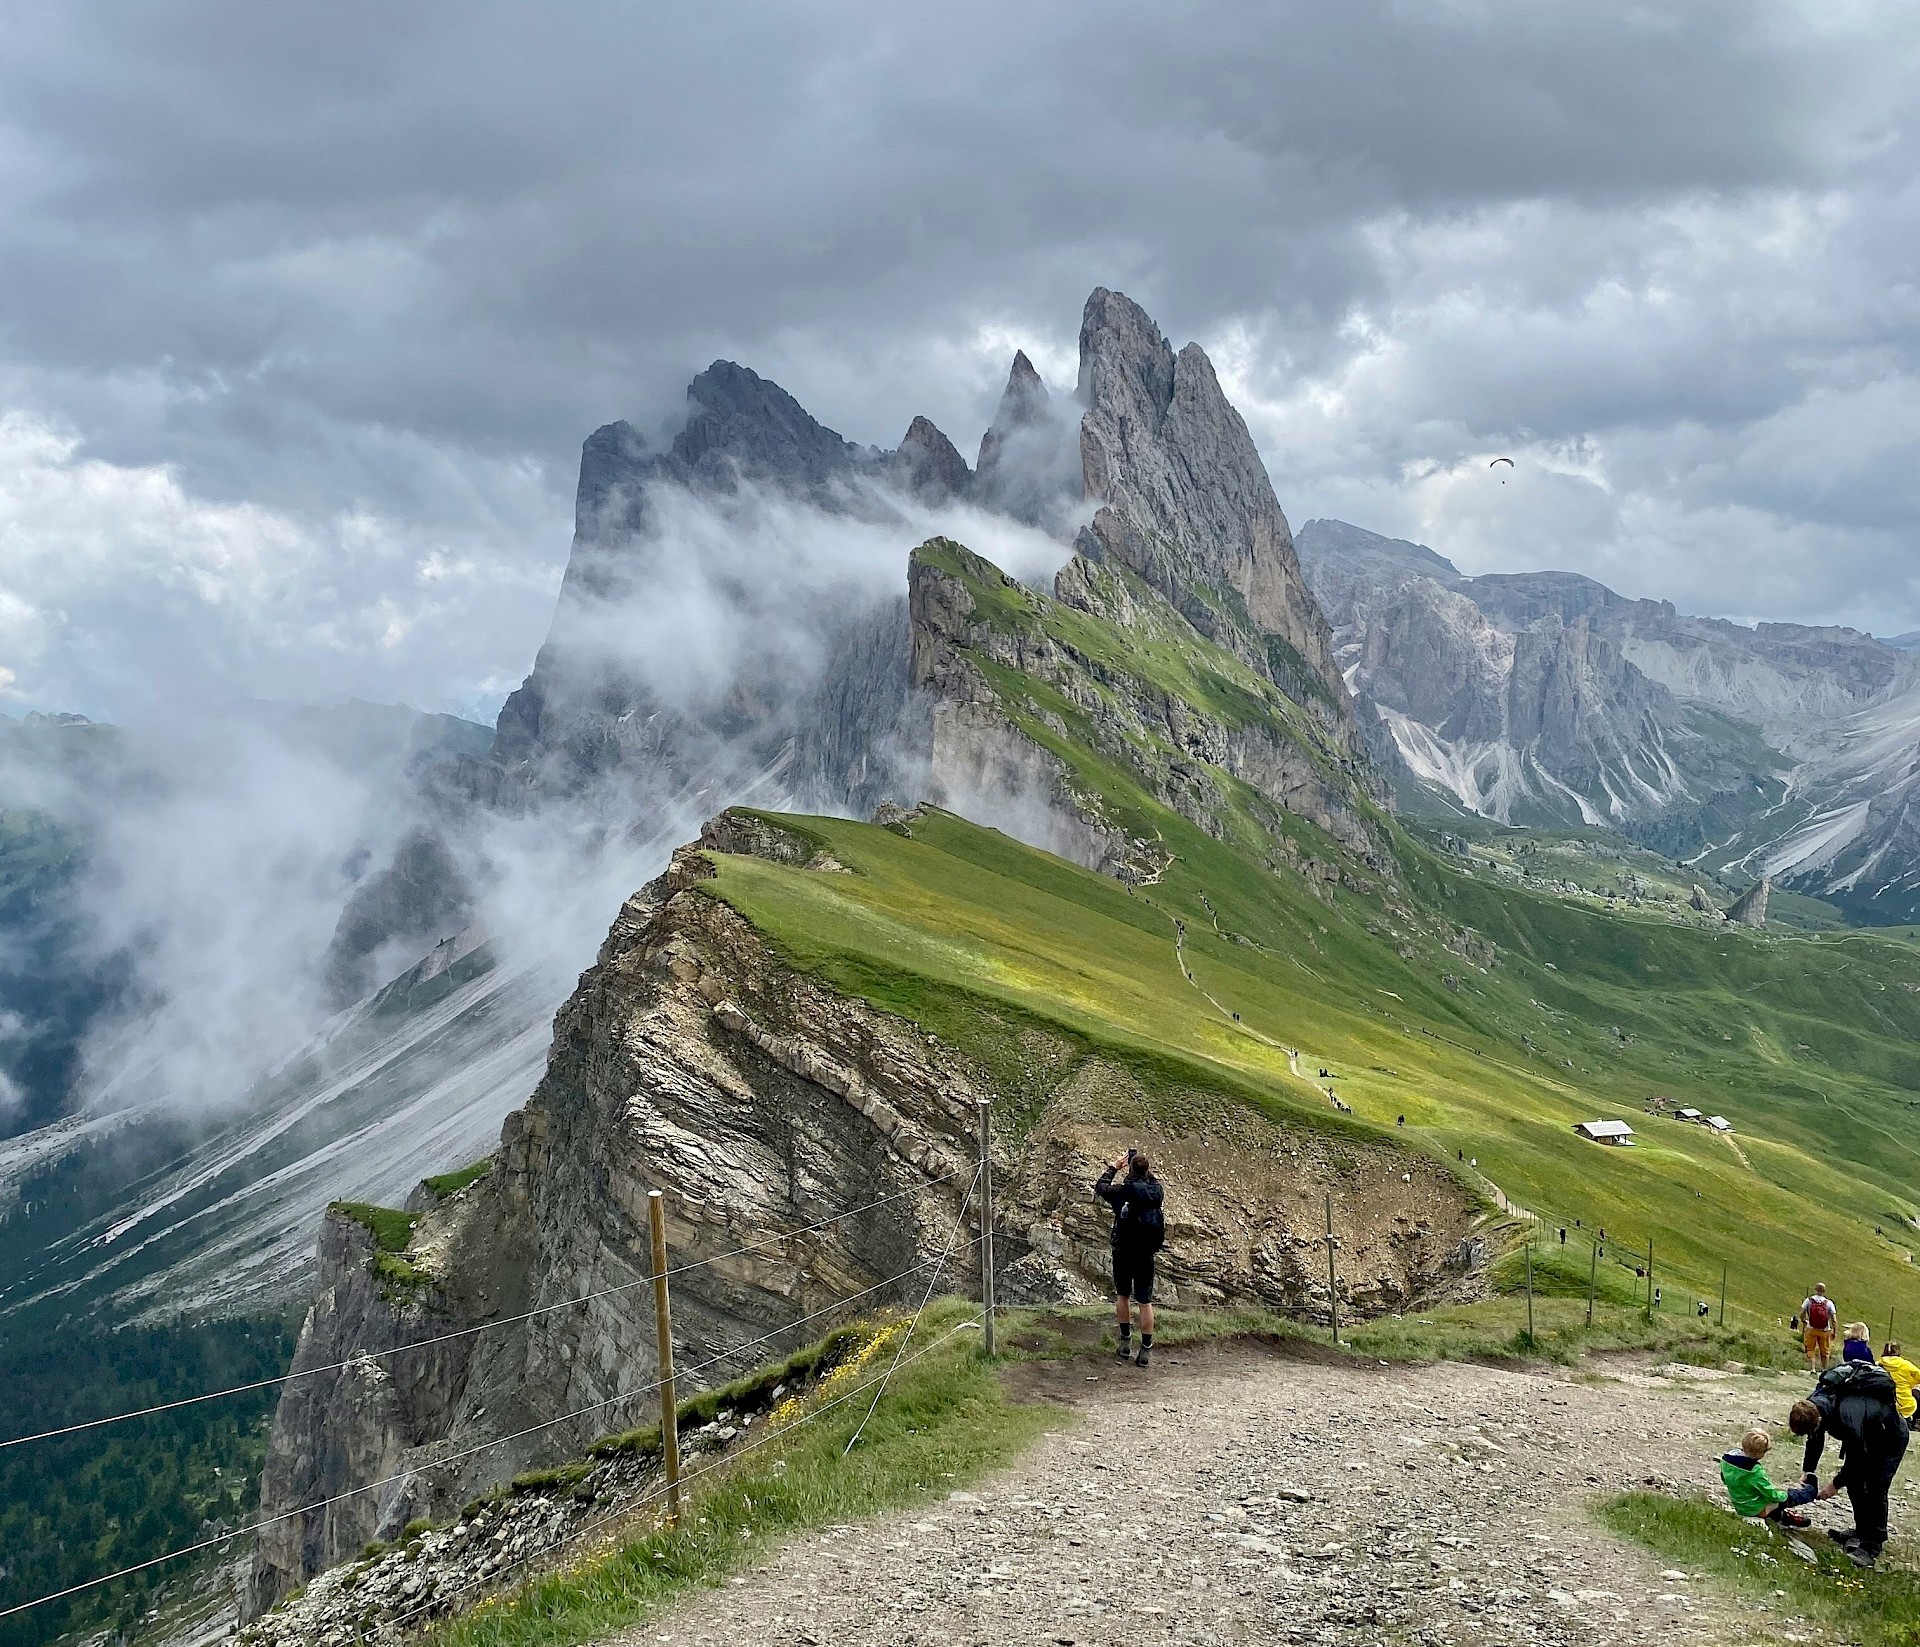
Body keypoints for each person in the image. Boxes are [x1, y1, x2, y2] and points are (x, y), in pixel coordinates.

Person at [1789, 1359, 1909, 1567]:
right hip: (1866, 1434)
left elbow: (1857, 1460)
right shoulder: (1814, 1402)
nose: (1812, 1434)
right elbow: (1814, 1438)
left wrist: (1834, 1485)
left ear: (1818, 1420)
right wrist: (1809, 1471)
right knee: (1855, 1485)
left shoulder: (1848, 1415)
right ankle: (1860, 1531)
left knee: (1874, 1486)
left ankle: (1872, 1546)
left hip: (1889, 1438)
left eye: (1812, 1429)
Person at [1095, 1149, 1165, 1369]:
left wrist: (1115, 1167)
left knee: (1123, 1295)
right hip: (1146, 1252)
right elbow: (1146, 1181)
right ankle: (1145, 1350)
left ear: (1131, 1170)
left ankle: (1125, 1342)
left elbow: (1101, 1187)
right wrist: (1140, 1169)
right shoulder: (1157, 1191)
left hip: (1124, 1250)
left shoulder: (1124, 1192)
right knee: (1145, 1302)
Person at [1719, 1427, 1819, 1526]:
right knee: (1785, 1498)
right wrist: (1785, 1495)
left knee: (1768, 1500)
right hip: (1755, 1510)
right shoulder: (1754, 1472)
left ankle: (1787, 1518)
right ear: (1759, 1453)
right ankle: (1811, 1492)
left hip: (1741, 1505)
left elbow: (1724, 1479)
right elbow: (1771, 1494)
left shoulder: (1726, 1460)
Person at [1882, 1343, 1920, 1428]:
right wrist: (1911, 1381)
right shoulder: (1905, 1365)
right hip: (1904, 1404)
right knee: (1917, 1393)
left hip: (1884, 1403)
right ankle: (1916, 1422)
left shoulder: (1879, 1364)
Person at [1801, 1285, 1838, 1371]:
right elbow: (1834, 1320)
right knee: (1825, 1351)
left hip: (1811, 1328)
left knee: (1810, 1349)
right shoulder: (1829, 1303)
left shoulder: (1808, 1301)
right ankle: (1824, 1370)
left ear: (1816, 1290)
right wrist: (1835, 1331)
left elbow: (1802, 1313)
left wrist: (1804, 1320)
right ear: (1824, 1291)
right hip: (1824, 1330)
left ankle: (1812, 1369)